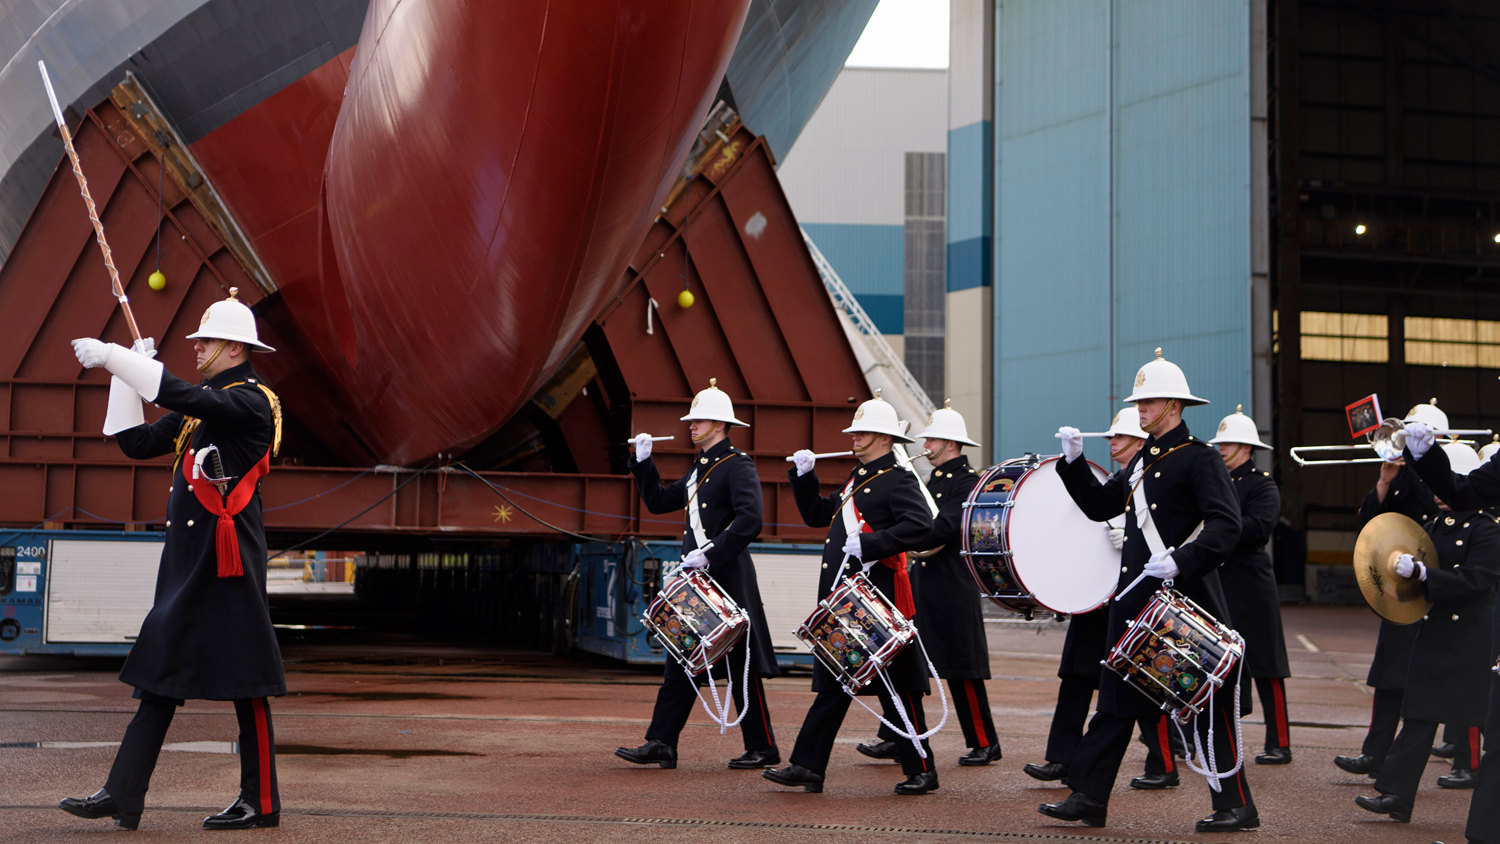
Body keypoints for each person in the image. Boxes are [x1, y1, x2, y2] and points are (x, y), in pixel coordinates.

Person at [59, 289, 285, 830]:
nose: (197, 346)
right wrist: (123, 377)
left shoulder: (252, 401)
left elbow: (188, 398)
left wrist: (122, 359)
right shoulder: (204, 403)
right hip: (191, 560)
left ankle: (262, 802)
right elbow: (133, 442)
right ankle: (123, 794)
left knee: (248, 680)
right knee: (159, 671)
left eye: (206, 339)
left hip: (226, 561)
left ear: (235, 348)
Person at [1043, 349, 1257, 833]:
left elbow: (1227, 526)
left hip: (1185, 603)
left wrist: (1181, 559)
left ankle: (1237, 804)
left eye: (1150, 401)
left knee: (1207, 707)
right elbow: (1101, 506)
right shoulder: (1143, 460)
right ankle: (1089, 797)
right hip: (1138, 603)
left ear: (1175, 406)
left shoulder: (1200, 458)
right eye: (1139, 401)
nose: (1140, 409)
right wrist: (1073, 464)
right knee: (1115, 702)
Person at [763, 392, 937, 794]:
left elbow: (921, 527)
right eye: (856, 431)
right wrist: (804, 477)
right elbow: (816, 516)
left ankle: (922, 769)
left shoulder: (898, 478)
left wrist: (875, 545)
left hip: (878, 599)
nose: (854, 437)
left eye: (863, 432)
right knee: (834, 684)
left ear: (885, 439)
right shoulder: (858, 477)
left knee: (900, 690)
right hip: (848, 599)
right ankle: (807, 766)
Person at [616, 379, 779, 770]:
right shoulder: (699, 468)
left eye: (699, 420)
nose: (690, 425)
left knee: (741, 665)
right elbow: (657, 502)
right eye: (691, 420)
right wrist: (643, 462)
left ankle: (764, 747)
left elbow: (751, 519)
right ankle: (662, 742)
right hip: (700, 579)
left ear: (720, 425)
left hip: (727, 575)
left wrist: (712, 554)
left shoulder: (737, 464)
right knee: (682, 657)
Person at [1022, 407, 1181, 790]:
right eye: (1110, 437)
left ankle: (1164, 762)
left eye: (1119, 437)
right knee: (1076, 675)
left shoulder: (1161, 475)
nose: (1111, 442)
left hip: (1133, 595)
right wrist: (1073, 461)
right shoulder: (1120, 478)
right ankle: (1061, 758)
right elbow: (1093, 509)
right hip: (1095, 593)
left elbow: (1182, 531)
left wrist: (1126, 537)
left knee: (1143, 680)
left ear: (1141, 441)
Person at [1353, 443, 1497, 823]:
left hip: (1471, 639)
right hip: (1435, 635)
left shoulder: (1487, 529)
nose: (1438, 492)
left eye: (1447, 484)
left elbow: (1477, 580)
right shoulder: (1433, 524)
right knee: (1418, 716)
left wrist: (1425, 575)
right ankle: (1397, 794)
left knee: (1486, 722)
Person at [858, 400, 1000, 766]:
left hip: (952, 585)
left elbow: (942, 528)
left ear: (951, 444)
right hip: (922, 582)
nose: (926, 447)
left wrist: (899, 535)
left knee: (961, 667)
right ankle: (896, 734)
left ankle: (985, 741)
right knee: (909, 666)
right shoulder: (930, 481)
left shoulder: (968, 483)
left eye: (932, 441)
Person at [1334, 454, 1439, 778]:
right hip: (1399, 589)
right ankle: (1374, 754)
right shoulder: (1400, 481)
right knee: (1387, 677)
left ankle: (1464, 761)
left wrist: (1413, 471)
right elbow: (1372, 521)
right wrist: (1384, 481)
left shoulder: (1440, 471)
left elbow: (1434, 506)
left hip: (1430, 586)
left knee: (1429, 687)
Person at [1207, 405, 1292, 765]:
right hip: (1218, 581)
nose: (1221, 448)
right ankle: (1215, 738)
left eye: (1228, 444)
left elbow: (1259, 528)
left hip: (1251, 584)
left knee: (1267, 664)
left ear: (1246, 448)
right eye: (1220, 443)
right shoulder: (1216, 481)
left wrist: (1222, 525)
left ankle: (1280, 742)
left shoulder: (1263, 483)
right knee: (1215, 661)